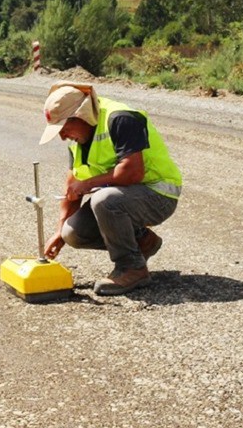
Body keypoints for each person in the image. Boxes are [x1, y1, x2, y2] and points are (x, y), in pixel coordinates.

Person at [39, 81, 182, 296]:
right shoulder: (77, 140)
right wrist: (59, 233)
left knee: (104, 200)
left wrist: (87, 185)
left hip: (159, 194)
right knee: (73, 233)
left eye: (64, 129)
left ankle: (132, 267)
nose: (62, 136)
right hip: (125, 198)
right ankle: (143, 240)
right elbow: (72, 186)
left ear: (81, 115)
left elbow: (132, 172)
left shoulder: (121, 118)